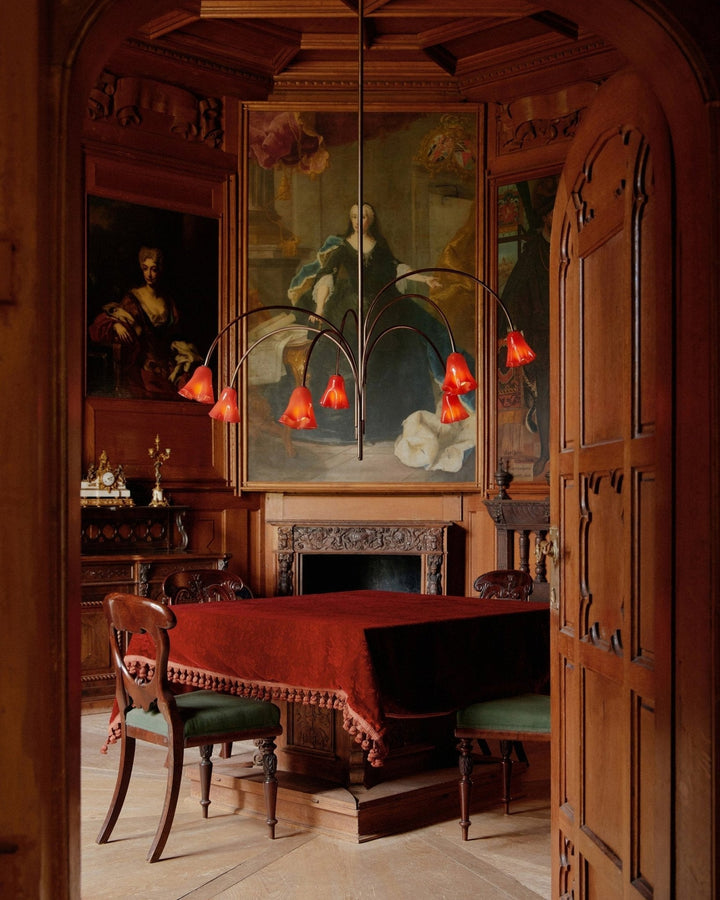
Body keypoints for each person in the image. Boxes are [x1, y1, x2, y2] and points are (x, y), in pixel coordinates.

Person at [287, 203, 447, 442]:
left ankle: (381, 422)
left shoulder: (380, 246)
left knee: (388, 358)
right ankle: (344, 421)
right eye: (353, 216)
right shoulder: (343, 248)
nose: (357, 221)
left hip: (380, 308)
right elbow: (326, 276)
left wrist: (424, 279)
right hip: (349, 310)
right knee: (346, 361)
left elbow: (398, 268)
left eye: (361, 217)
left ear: (370, 219)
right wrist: (319, 308)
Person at [88, 246, 201, 399]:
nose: (149, 274)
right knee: (150, 390)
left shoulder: (168, 301)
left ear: (160, 270)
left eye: (153, 269)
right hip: (142, 365)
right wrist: (116, 325)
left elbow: (175, 335)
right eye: (145, 268)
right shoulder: (133, 298)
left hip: (167, 365)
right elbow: (107, 319)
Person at [500, 180, 555, 478]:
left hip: (574, 330)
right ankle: (547, 454)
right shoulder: (534, 253)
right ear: (545, 216)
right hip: (543, 338)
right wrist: (517, 331)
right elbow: (511, 296)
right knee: (547, 395)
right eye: (553, 211)